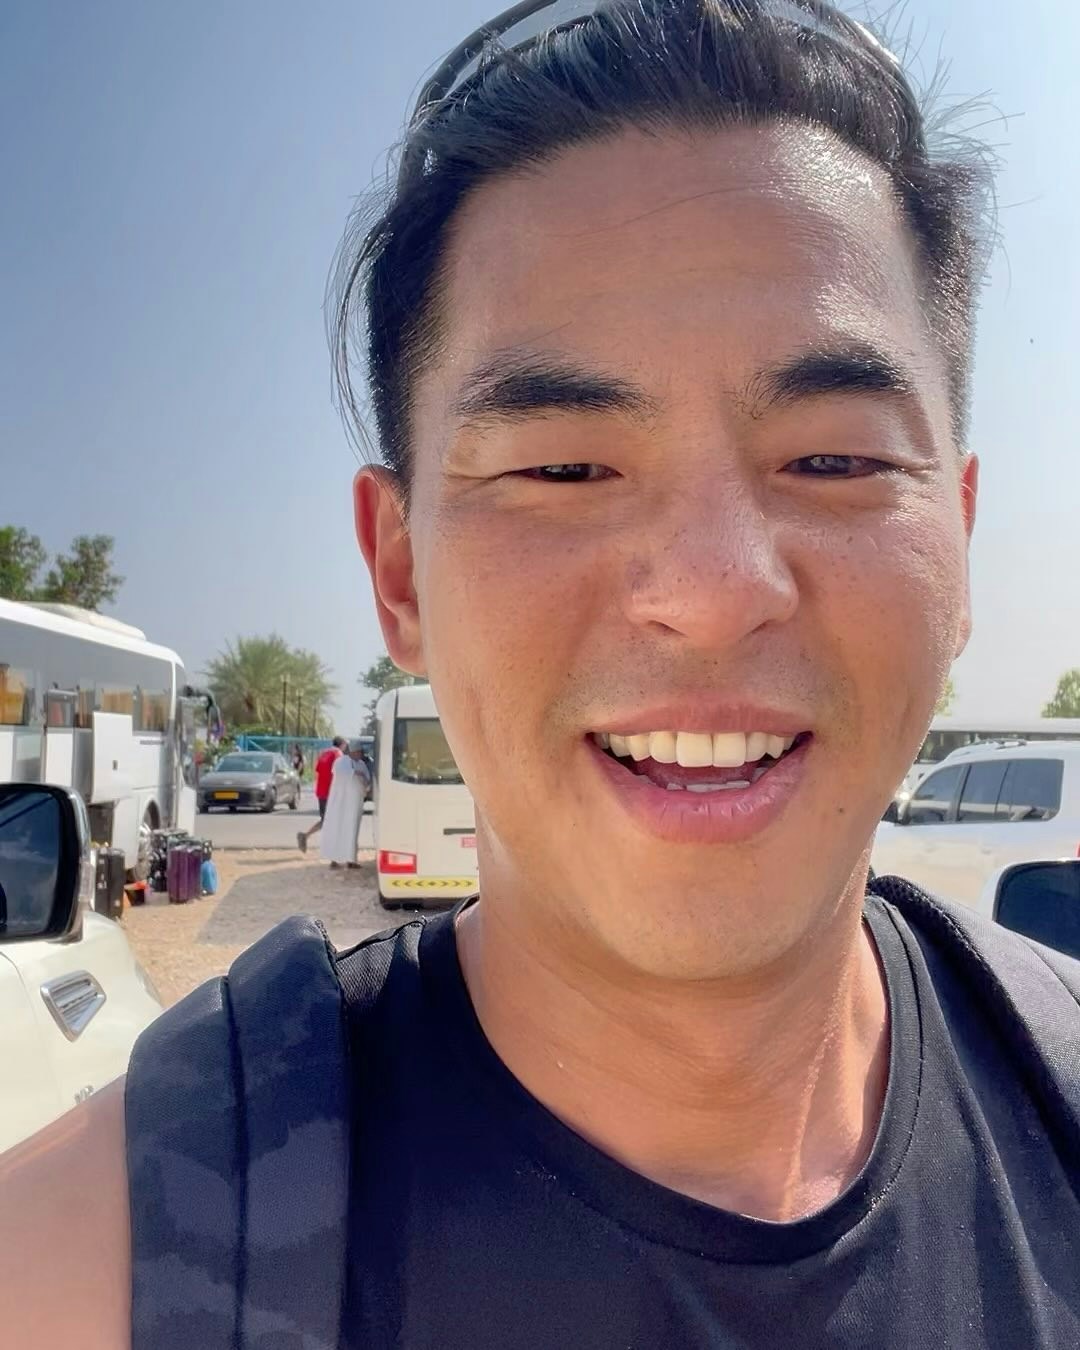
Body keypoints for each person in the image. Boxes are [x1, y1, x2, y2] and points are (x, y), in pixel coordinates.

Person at [7, 3, 1080, 1347]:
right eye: (564, 468)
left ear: (960, 543)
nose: (712, 589)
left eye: (834, 459)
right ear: (401, 573)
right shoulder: (91, 1268)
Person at [318, 739, 371, 869]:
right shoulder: (341, 762)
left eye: (361, 752)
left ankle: (351, 860)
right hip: (340, 804)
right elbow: (342, 774)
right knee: (337, 829)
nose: (360, 754)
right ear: (352, 751)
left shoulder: (361, 764)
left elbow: (367, 780)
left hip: (354, 805)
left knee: (352, 832)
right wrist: (355, 773)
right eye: (358, 752)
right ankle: (334, 859)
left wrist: (362, 778)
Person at [296, 735, 344, 852]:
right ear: (342, 744)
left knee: (326, 820)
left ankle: (305, 836)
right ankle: (332, 847)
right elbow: (341, 773)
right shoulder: (338, 754)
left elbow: (318, 770)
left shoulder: (324, 753)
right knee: (332, 820)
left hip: (321, 791)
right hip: (331, 792)